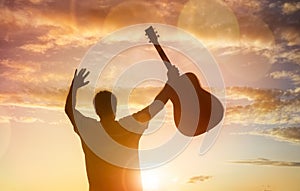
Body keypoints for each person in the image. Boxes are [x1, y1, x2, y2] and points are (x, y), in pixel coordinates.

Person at [65, 67, 178, 191]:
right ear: (115, 108)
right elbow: (157, 105)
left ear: (96, 110)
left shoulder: (89, 129)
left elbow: (69, 109)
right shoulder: (130, 126)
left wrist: (74, 87)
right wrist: (171, 83)